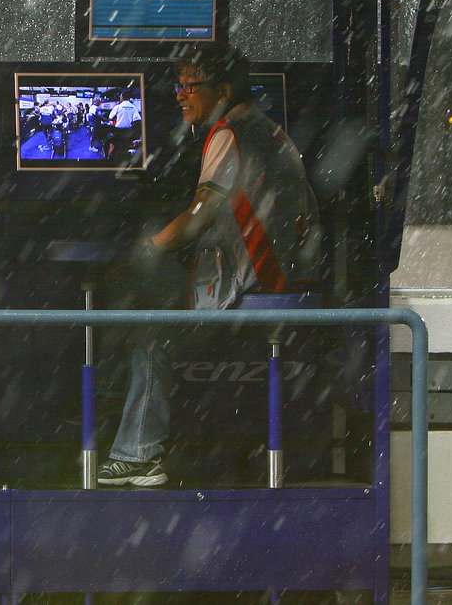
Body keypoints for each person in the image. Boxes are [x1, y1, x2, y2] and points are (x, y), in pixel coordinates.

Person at [97, 43, 320, 488]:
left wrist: (145, 250)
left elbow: (201, 214)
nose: (180, 95)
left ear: (222, 89)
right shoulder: (268, 129)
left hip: (262, 277)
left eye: (190, 85)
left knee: (147, 331)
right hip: (288, 271)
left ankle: (136, 453)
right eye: (178, 85)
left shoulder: (228, 133)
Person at [107, 89, 143, 160]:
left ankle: (109, 160)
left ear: (122, 97)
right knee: (126, 147)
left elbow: (110, 117)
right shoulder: (133, 107)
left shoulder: (118, 107)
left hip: (118, 131)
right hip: (128, 132)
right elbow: (137, 120)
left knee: (112, 146)